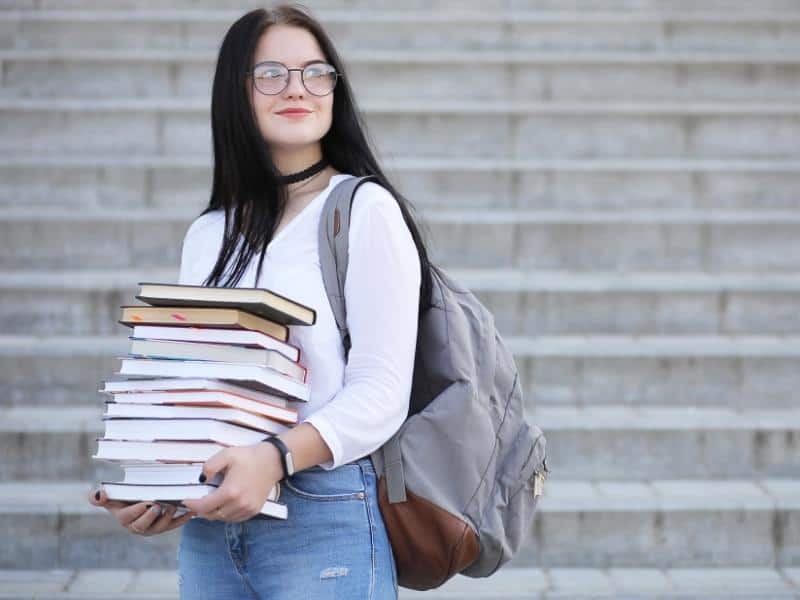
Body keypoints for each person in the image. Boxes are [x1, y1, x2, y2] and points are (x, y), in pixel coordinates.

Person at [88, 4, 439, 599]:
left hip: (325, 517)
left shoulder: (364, 211)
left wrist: (273, 459)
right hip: (212, 529)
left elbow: (382, 392)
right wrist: (161, 484)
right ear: (237, 93)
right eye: (271, 73)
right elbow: (195, 382)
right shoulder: (210, 233)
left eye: (315, 72)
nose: (297, 88)